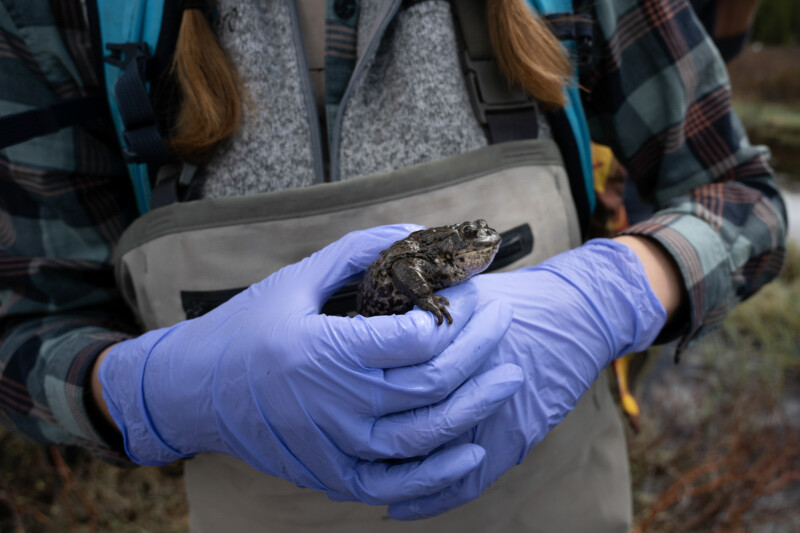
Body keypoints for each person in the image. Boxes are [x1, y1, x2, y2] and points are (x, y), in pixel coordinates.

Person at [0, 0, 786, 531]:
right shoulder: (63, 18)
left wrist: (610, 293)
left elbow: (743, 199)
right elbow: (27, 332)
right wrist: (154, 391)